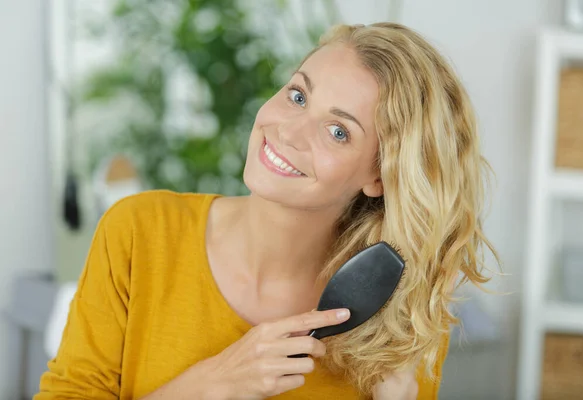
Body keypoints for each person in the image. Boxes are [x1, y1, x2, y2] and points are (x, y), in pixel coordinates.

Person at [35, 22, 497, 400]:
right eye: (298, 96)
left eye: (338, 131)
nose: (290, 132)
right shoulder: (138, 232)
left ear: (379, 177)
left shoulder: (397, 316)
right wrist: (214, 384)